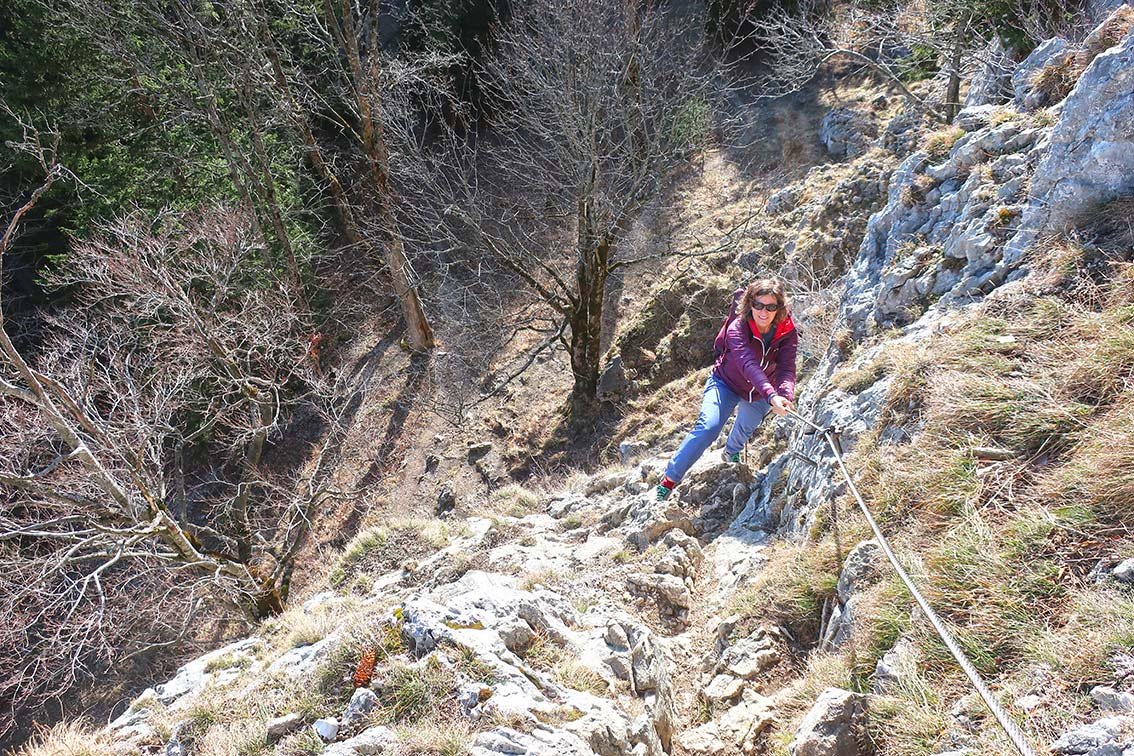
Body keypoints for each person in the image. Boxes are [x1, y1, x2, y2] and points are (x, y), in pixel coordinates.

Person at [656, 277, 798, 500]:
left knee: (746, 426)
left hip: (760, 392)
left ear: (779, 309)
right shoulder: (737, 328)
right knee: (708, 428)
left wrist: (785, 395)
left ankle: (731, 452)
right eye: (758, 305)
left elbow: (787, 368)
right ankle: (669, 479)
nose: (763, 312)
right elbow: (748, 365)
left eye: (771, 307)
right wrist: (772, 395)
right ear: (750, 304)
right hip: (726, 383)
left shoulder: (786, 331)